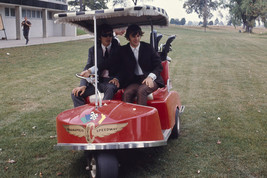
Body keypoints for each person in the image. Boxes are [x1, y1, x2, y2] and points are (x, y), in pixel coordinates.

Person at [71, 24, 120, 107]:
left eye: (110, 35)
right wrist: (83, 85)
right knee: (75, 93)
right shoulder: (93, 50)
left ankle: (103, 114)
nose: (108, 37)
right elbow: (88, 66)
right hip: (97, 82)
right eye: (105, 35)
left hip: (110, 82)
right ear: (99, 37)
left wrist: (117, 78)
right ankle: (84, 116)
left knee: (110, 89)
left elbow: (108, 62)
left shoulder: (117, 48)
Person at [118, 24, 164, 106]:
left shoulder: (148, 48)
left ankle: (141, 118)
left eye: (138, 36)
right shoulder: (123, 51)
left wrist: (150, 77)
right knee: (127, 93)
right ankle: (128, 118)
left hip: (151, 79)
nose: (136, 39)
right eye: (133, 36)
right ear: (128, 37)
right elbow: (119, 67)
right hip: (135, 81)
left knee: (141, 91)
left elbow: (158, 65)